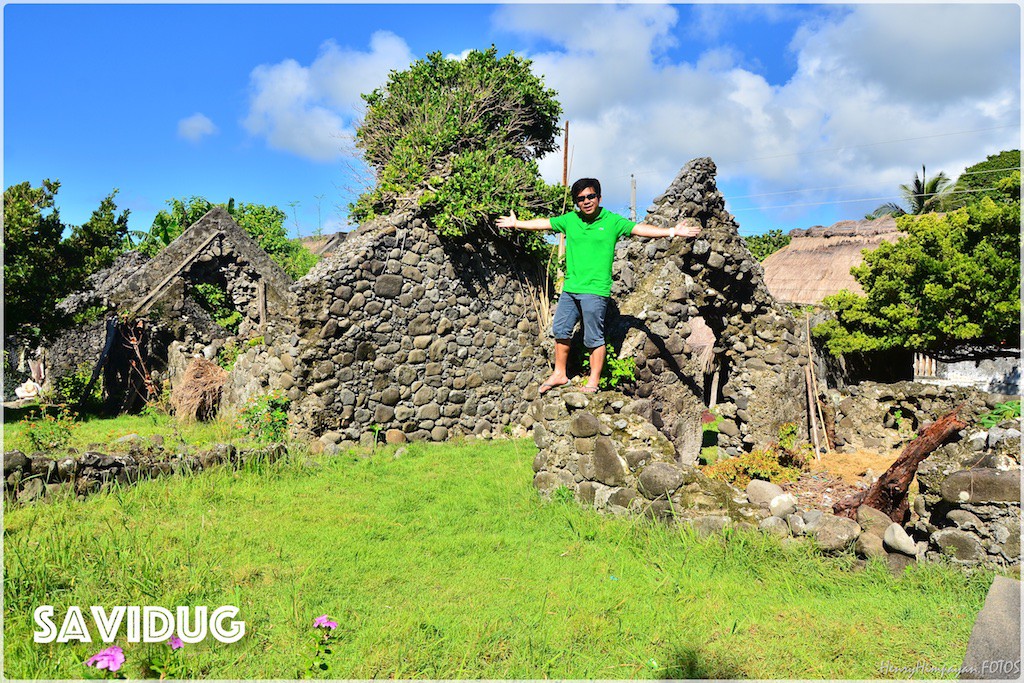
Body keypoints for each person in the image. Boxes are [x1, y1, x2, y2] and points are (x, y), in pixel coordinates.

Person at [497, 177, 701, 394]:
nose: (586, 201)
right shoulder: (570, 219)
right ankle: (559, 373)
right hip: (571, 288)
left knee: (593, 337)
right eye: (580, 198)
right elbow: (544, 223)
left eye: (590, 196)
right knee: (560, 329)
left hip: (595, 290)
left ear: (599, 197)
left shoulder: (612, 221)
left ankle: (593, 380)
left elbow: (640, 229)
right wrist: (517, 223)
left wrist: (672, 232)